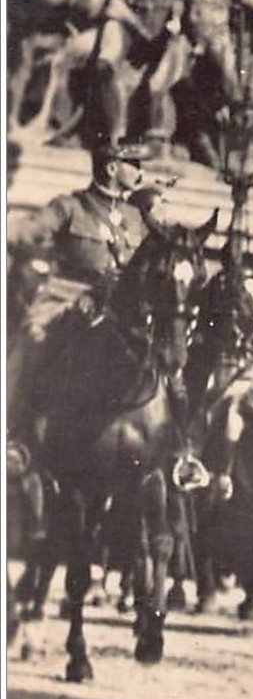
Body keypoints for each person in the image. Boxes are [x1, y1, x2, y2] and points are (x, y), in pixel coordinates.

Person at [7, 138, 152, 462]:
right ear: (112, 168)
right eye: (135, 166)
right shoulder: (69, 207)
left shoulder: (137, 217)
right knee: (33, 341)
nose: (140, 173)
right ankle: (14, 435)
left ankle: (175, 444)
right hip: (66, 298)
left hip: (120, 307)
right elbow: (23, 232)